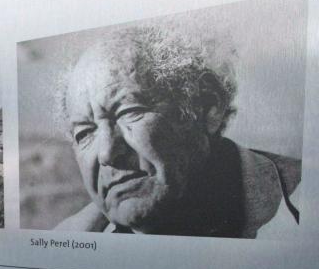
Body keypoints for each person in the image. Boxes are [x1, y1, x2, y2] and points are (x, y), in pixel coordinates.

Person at [56, 25, 301, 237]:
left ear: (207, 106)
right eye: (85, 133)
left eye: (129, 112)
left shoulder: (303, 203)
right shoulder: (66, 243)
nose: (107, 154)